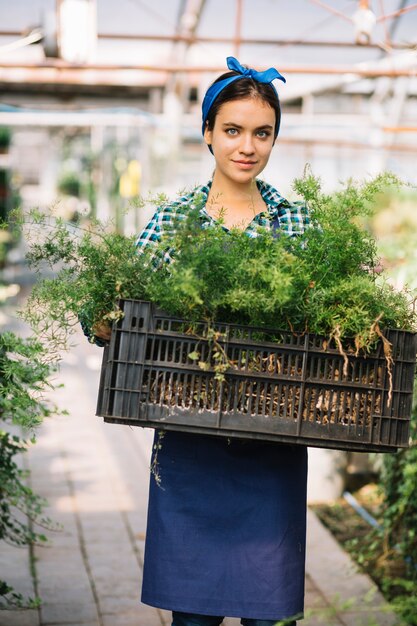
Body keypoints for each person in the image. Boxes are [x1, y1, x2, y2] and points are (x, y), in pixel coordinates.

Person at [97, 56, 310, 626]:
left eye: (262, 133)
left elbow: (323, 320)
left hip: (274, 436)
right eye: (233, 130)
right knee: (192, 617)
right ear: (209, 134)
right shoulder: (171, 222)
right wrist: (105, 321)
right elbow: (122, 312)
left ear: (274, 140)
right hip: (190, 436)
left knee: (269, 617)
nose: (248, 146)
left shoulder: (297, 222)